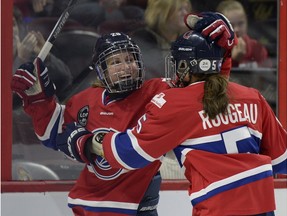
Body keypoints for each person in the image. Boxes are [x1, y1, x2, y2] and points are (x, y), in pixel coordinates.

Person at [89, 32, 287, 215]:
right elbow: (282, 161)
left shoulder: (174, 102)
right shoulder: (252, 97)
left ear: (186, 65)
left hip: (217, 209)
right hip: (263, 207)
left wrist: (98, 141)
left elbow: (131, 154)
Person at [11, 32, 172, 216]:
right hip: (91, 207)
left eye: (130, 59)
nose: (126, 67)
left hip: (135, 209)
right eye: (116, 62)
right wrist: (39, 102)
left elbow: (192, 94)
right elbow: (53, 134)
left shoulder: (157, 92)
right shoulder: (86, 101)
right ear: (101, 70)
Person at [130, 0, 193, 79]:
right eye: (180, 9)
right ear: (163, 12)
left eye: (186, 9)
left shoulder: (188, 38)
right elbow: (154, 71)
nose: (185, 13)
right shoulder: (143, 37)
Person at [216, 0, 272, 68]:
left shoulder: (258, 49)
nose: (237, 29)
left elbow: (266, 76)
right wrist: (233, 61)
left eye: (241, 23)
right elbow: (216, 77)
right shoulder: (215, 49)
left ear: (247, 22)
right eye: (230, 25)